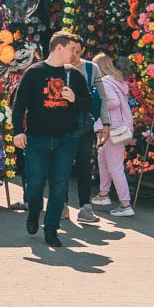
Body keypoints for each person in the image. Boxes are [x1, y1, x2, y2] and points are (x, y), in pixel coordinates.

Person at [11, 31, 94, 246]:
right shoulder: (34, 73)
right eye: (71, 49)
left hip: (66, 139)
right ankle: (34, 212)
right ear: (59, 47)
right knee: (36, 184)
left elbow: (88, 104)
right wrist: (18, 131)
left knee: (59, 185)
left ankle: (51, 230)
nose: (75, 54)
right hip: (37, 138)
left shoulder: (74, 75)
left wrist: (75, 98)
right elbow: (19, 105)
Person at [68, 36, 110, 223]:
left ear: (83, 50)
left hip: (85, 125)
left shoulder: (92, 68)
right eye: (71, 50)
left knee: (85, 166)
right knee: (62, 167)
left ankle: (85, 207)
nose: (74, 54)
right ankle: (61, 206)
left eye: (78, 50)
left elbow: (102, 97)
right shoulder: (58, 66)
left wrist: (106, 124)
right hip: (61, 126)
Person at [90, 53, 136, 217]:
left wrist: (95, 104)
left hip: (112, 128)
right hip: (117, 127)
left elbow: (113, 102)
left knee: (115, 167)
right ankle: (103, 194)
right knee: (103, 160)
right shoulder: (117, 81)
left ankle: (125, 205)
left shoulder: (105, 82)